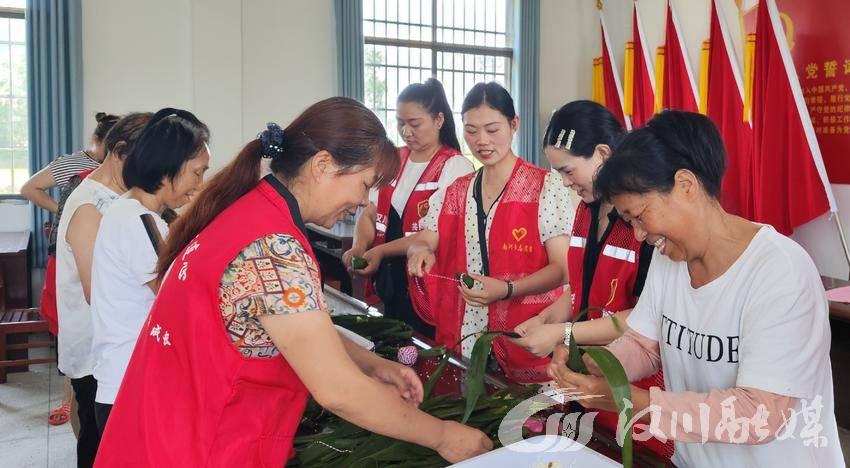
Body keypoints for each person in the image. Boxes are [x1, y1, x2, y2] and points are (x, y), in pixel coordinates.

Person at [94, 98, 492, 467]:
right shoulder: (275, 248)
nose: (363, 201)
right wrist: (443, 436)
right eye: (365, 184)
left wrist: (371, 364)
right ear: (323, 165)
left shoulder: (248, 210)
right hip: (199, 446)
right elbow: (338, 390)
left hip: (160, 434)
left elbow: (294, 329)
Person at [550, 110, 844, 467]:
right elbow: (644, 345)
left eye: (640, 216)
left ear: (686, 185)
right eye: (629, 221)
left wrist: (634, 402)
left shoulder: (779, 271)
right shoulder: (669, 259)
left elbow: (759, 414)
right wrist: (595, 364)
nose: (639, 235)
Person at [511, 100, 671, 458]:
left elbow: (644, 319)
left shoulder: (643, 225)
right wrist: (546, 318)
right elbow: (581, 290)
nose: (566, 183)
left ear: (603, 153)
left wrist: (563, 333)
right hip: (586, 385)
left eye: (569, 171)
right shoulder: (586, 211)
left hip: (632, 392)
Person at [407, 82, 571, 383]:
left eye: (492, 129)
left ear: (514, 124)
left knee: (526, 411)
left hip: (527, 334)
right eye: (471, 131)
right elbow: (427, 237)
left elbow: (561, 269)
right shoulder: (457, 191)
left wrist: (507, 289)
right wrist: (421, 251)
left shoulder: (546, 187)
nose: (482, 141)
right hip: (466, 335)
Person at [90, 108, 210, 435]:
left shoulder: (138, 213)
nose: (200, 184)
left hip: (131, 380)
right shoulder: (137, 220)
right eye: (197, 173)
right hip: (131, 385)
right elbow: (178, 297)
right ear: (168, 166)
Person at [55, 112, 152, 468]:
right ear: (119, 151)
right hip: (97, 351)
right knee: (99, 446)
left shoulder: (120, 197)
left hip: (116, 347)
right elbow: (97, 291)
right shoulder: (89, 205)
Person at [343, 78, 473, 337]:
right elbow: (370, 213)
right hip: (390, 281)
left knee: (425, 347)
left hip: (428, 283)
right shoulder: (393, 159)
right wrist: (359, 247)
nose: (406, 131)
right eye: (400, 122)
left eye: (414, 124)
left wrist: (380, 251)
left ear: (438, 120)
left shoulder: (455, 167)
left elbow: (435, 232)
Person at [21, 112, 119, 428]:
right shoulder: (74, 164)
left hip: (100, 251)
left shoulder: (122, 173)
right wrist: (63, 212)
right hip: (70, 252)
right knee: (73, 327)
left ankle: (78, 398)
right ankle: (70, 399)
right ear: (98, 141)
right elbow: (30, 188)